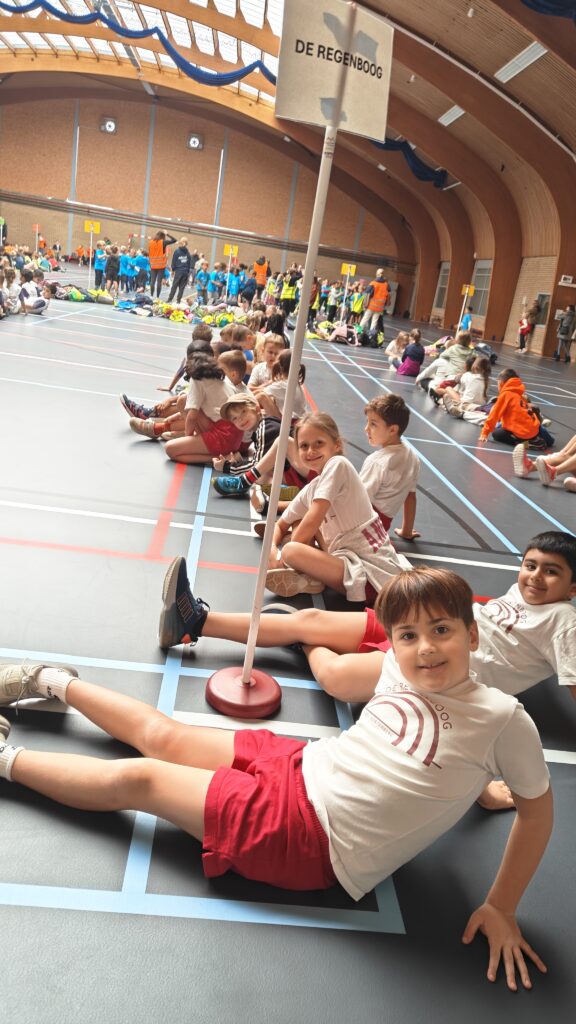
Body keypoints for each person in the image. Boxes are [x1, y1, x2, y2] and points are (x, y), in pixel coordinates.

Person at [0, 566, 552, 989]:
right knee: (166, 736)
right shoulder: (396, 665)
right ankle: (47, 680)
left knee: (142, 779)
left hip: (308, 838)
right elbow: (431, 749)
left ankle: (5, 759)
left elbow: (537, 813)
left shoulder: (503, 720)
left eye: (441, 630)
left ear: (472, 636)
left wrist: (501, 906)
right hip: (303, 763)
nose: (425, 647)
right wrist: (477, 785)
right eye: (408, 635)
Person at [264, 413, 410, 598]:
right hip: (346, 562)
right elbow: (280, 525)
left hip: (372, 578)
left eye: (319, 443)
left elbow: (313, 518)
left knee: (292, 549)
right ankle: (310, 579)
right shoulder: (312, 488)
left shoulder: (338, 464)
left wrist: (284, 557)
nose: (310, 451)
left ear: (337, 445)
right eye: (304, 446)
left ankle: (309, 577)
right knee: (296, 524)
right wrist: (271, 550)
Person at [155, 353, 240, 465]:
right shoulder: (221, 377)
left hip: (223, 436)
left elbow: (192, 417)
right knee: (183, 400)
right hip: (235, 435)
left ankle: (223, 457)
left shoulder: (197, 379)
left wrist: (187, 440)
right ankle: (216, 450)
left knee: (170, 449)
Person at [360, 395, 420, 540]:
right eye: (367, 422)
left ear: (392, 429)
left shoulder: (377, 462)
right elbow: (410, 497)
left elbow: (359, 501)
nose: (366, 429)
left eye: (373, 424)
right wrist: (406, 531)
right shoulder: (413, 457)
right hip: (381, 527)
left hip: (362, 526)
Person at [478, 369, 554, 450]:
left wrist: (484, 433)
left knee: (497, 434)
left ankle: (526, 443)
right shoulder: (519, 394)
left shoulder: (505, 395)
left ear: (501, 383)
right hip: (533, 428)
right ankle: (541, 440)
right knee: (538, 429)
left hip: (523, 432)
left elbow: (494, 415)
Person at [148, 231, 177, 299]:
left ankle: (151, 296)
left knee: (152, 281)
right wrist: (167, 234)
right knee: (159, 281)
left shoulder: (150, 242)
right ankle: (157, 297)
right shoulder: (163, 242)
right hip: (161, 265)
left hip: (153, 264)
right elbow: (174, 240)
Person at [359, 268, 389, 335]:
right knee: (374, 322)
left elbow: (367, 293)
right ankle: (371, 335)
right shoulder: (386, 284)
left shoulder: (373, 283)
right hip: (380, 307)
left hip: (371, 306)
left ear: (377, 274)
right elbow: (388, 293)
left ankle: (358, 332)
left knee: (365, 319)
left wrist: (364, 304)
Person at [167, 239, 191, 304]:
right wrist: (188, 271)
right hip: (185, 271)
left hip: (179, 271)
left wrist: (173, 270)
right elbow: (189, 262)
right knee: (181, 287)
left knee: (174, 286)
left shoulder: (177, 251)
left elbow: (174, 261)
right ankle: (178, 301)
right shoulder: (188, 252)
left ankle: (170, 299)